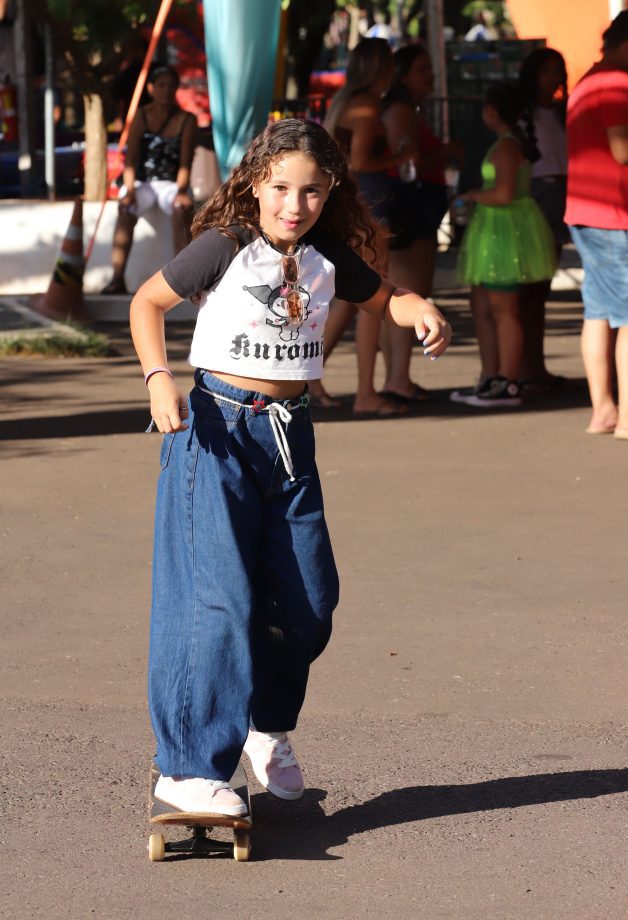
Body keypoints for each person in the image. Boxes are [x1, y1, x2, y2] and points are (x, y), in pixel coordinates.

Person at [129, 118, 451, 817]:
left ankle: (264, 726)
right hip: (215, 432)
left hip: (287, 439)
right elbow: (147, 301)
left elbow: (382, 297)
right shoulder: (227, 245)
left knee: (308, 602)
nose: (293, 204)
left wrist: (414, 304)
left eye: (311, 190)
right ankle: (187, 769)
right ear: (253, 183)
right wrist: (159, 377)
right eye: (280, 188)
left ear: (331, 190)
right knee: (216, 603)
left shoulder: (327, 254)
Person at [316, 37, 416, 415]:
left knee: (351, 297)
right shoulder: (366, 106)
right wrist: (401, 155)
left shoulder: (345, 101)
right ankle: (364, 393)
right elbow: (359, 161)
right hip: (365, 205)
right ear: (382, 69)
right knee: (372, 297)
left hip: (351, 205)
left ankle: (309, 376)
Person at [451, 83, 556, 408]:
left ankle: (508, 381)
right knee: (484, 307)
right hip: (495, 230)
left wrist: (469, 196)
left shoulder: (507, 146)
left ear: (492, 111)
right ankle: (491, 376)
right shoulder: (505, 144)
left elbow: (504, 194)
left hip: (505, 230)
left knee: (504, 310)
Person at [565, 10, 628, 440]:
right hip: (617, 212)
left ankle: (604, 410)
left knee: (598, 311)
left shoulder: (589, 79)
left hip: (587, 211)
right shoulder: (617, 81)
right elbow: (626, 149)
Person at [380, 43, 464, 403]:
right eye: (422, 69)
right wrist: (443, 152)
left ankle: (398, 376)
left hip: (412, 206)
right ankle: (398, 377)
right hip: (409, 208)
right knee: (407, 292)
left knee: (404, 290)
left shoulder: (407, 108)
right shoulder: (400, 110)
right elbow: (407, 163)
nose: (430, 75)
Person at [101, 66, 198, 295]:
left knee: (181, 209)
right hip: (142, 182)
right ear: (151, 88)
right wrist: (130, 189)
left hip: (172, 183)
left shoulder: (186, 119)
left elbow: (186, 160)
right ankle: (117, 278)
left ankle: (181, 282)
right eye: (161, 85)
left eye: (171, 85)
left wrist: (182, 190)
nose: (166, 90)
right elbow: (131, 157)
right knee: (125, 210)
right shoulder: (141, 116)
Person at [518, 47, 569, 390]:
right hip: (537, 194)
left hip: (562, 193)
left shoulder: (563, 112)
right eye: (546, 70)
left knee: (543, 286)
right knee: (529, 288)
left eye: (558, 70)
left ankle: (536, 366)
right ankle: (523, 367)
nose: (554, 77)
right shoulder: (525, 113)